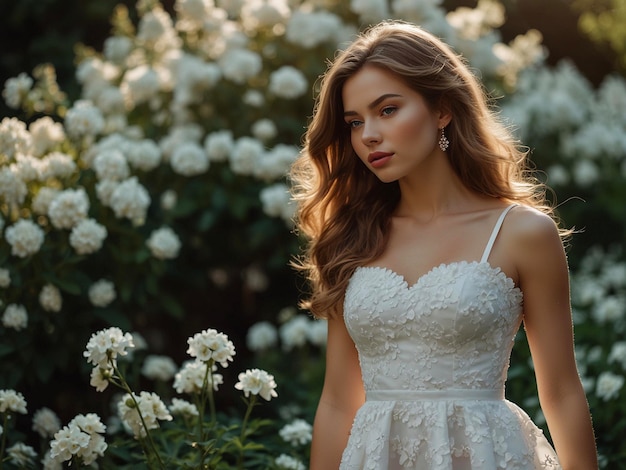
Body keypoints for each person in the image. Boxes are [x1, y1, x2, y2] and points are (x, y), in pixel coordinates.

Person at [289, 20, 598, 470]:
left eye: (388, 110)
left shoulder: (523, 233)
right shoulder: (351, 238)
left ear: (442, 110)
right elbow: (338, 400)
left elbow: (562, 392)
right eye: (355, 122)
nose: (368, 135)